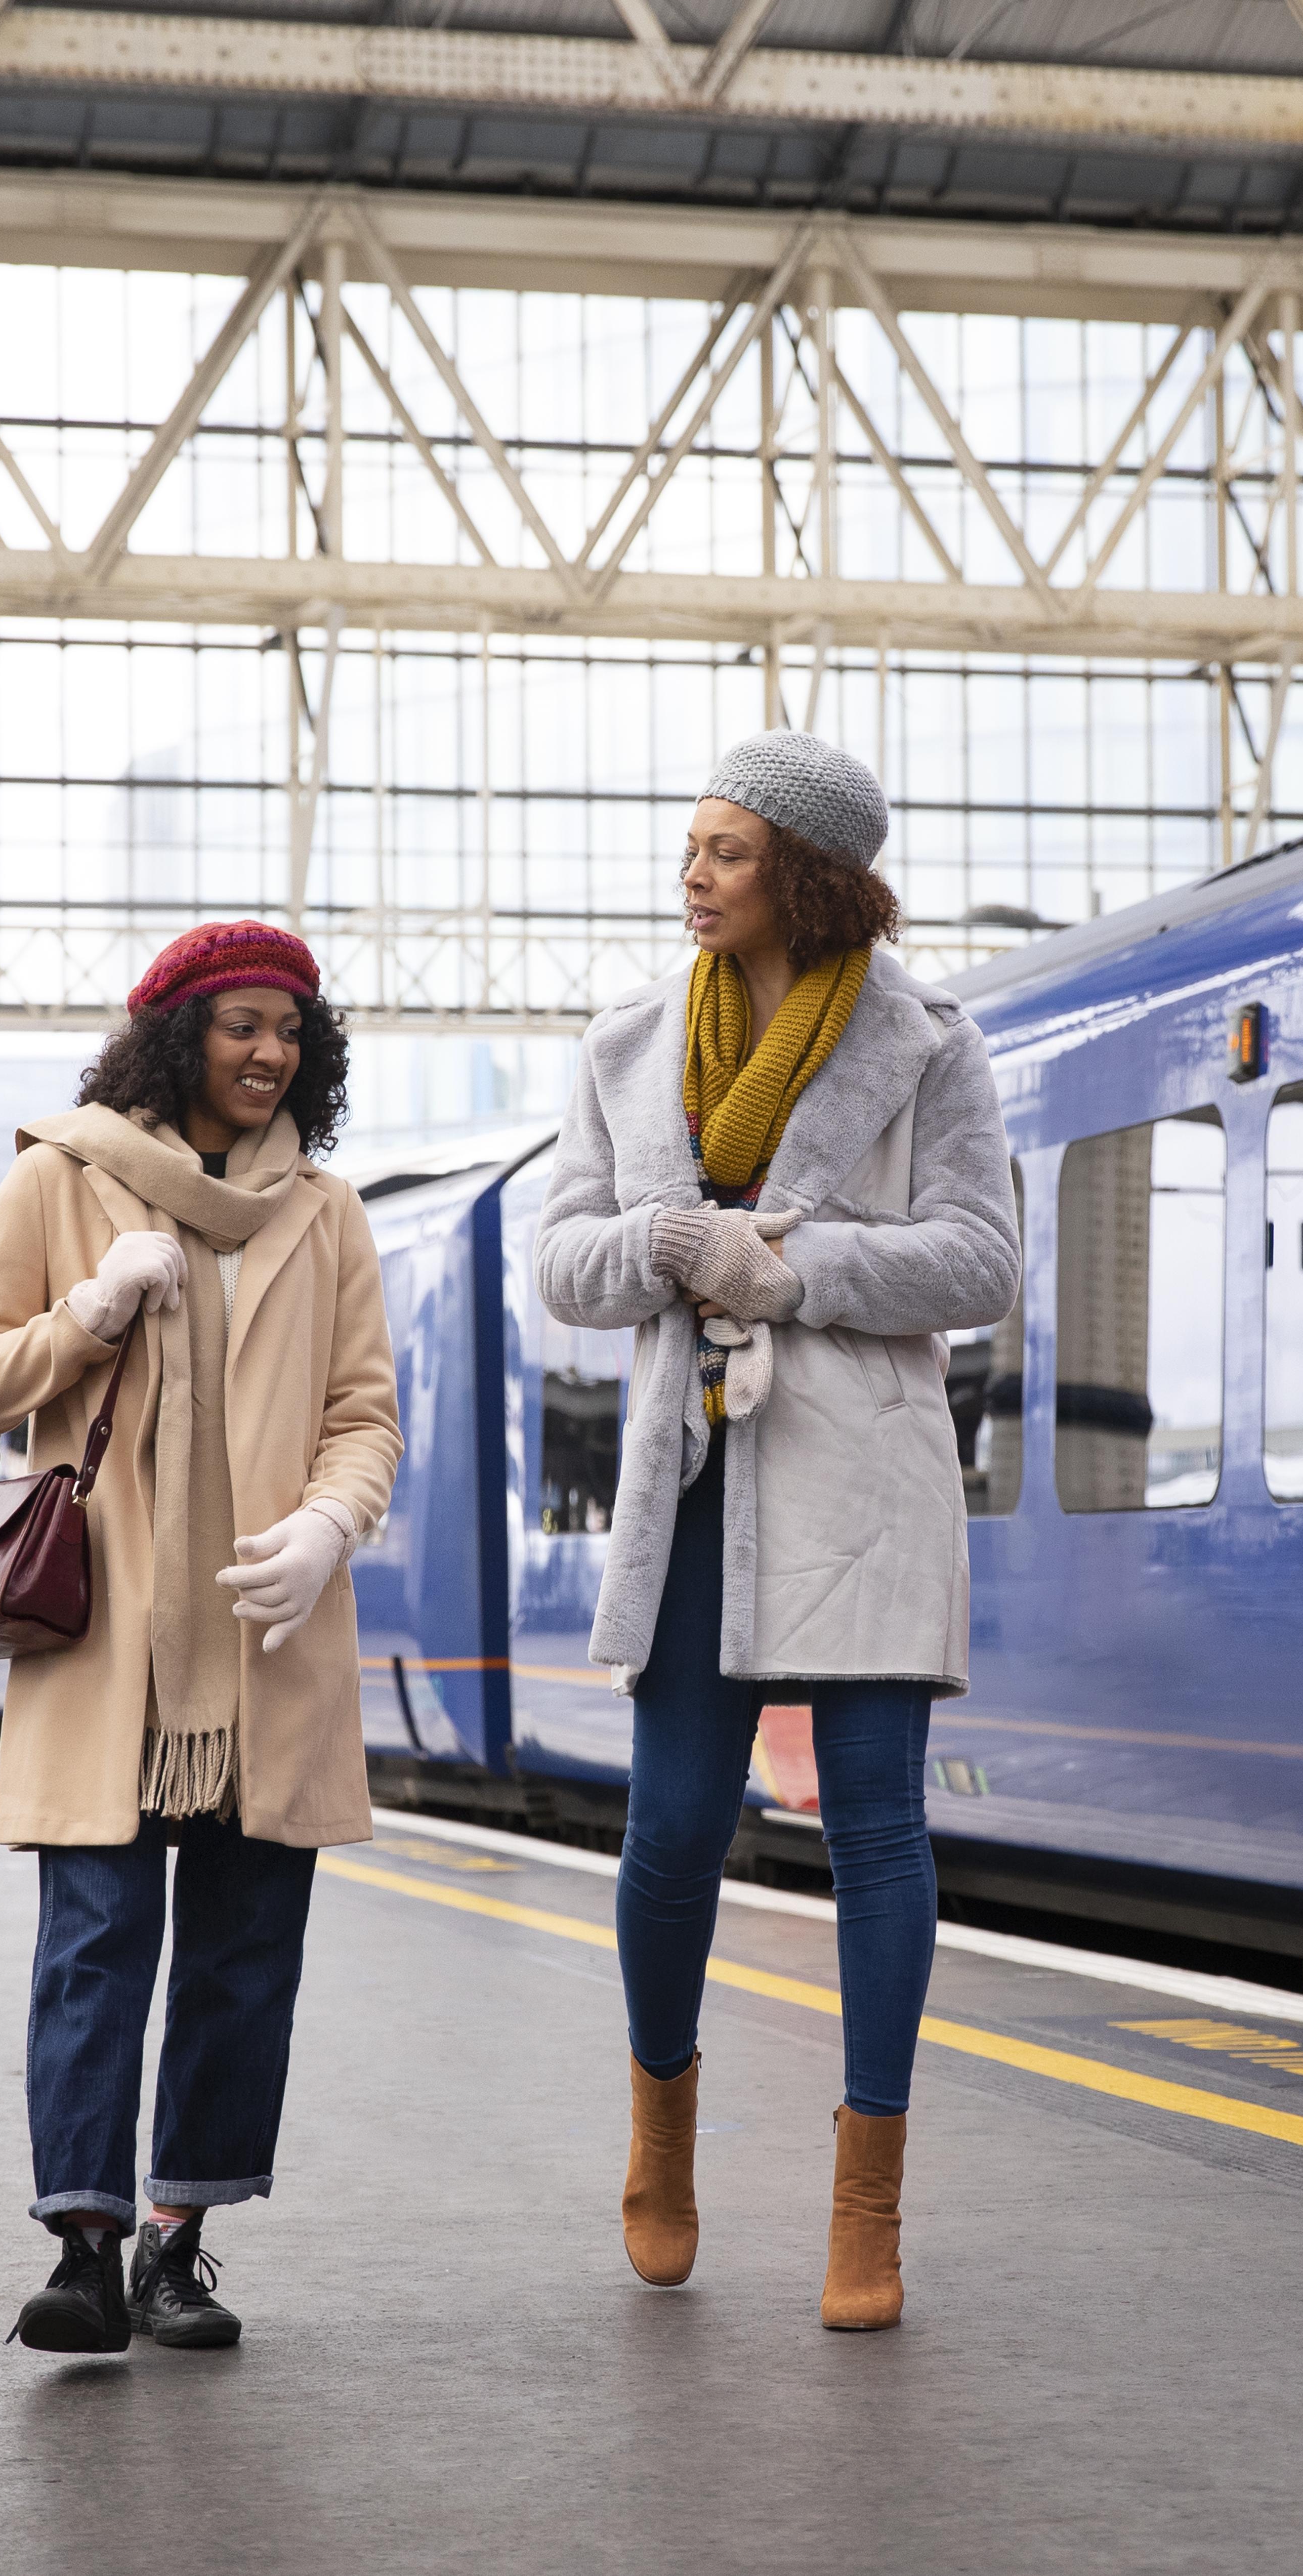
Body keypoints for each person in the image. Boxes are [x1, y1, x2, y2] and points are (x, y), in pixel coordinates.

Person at [534, 731, 1019, 2333]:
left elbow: (978, 1262)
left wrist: (797, 1273)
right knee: (673, 1829)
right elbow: (564, 1265)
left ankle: (865, 2210)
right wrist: (671, 1239)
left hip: (861, 1484)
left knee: (876, 1828)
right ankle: (659, 2140)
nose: (692, 873)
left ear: (804, 876)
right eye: (690, 845)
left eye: (726, 850)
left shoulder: (928, 1046)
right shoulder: (619, 1050)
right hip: (692, 1475)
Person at [0, 921, 401, 2357]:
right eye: (241, 1023)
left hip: (269, 1639)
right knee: (97, 1942)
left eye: (290, 1029)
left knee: (243, 1957)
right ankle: (84, 2245)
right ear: (175, 1032)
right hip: (108, 1637)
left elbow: (363, 1415)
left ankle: (179, 2246)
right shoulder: (57, 1179)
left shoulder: (326, 1212)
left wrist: (326, 1527)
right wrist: (85, 1310)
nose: (270, 1052)